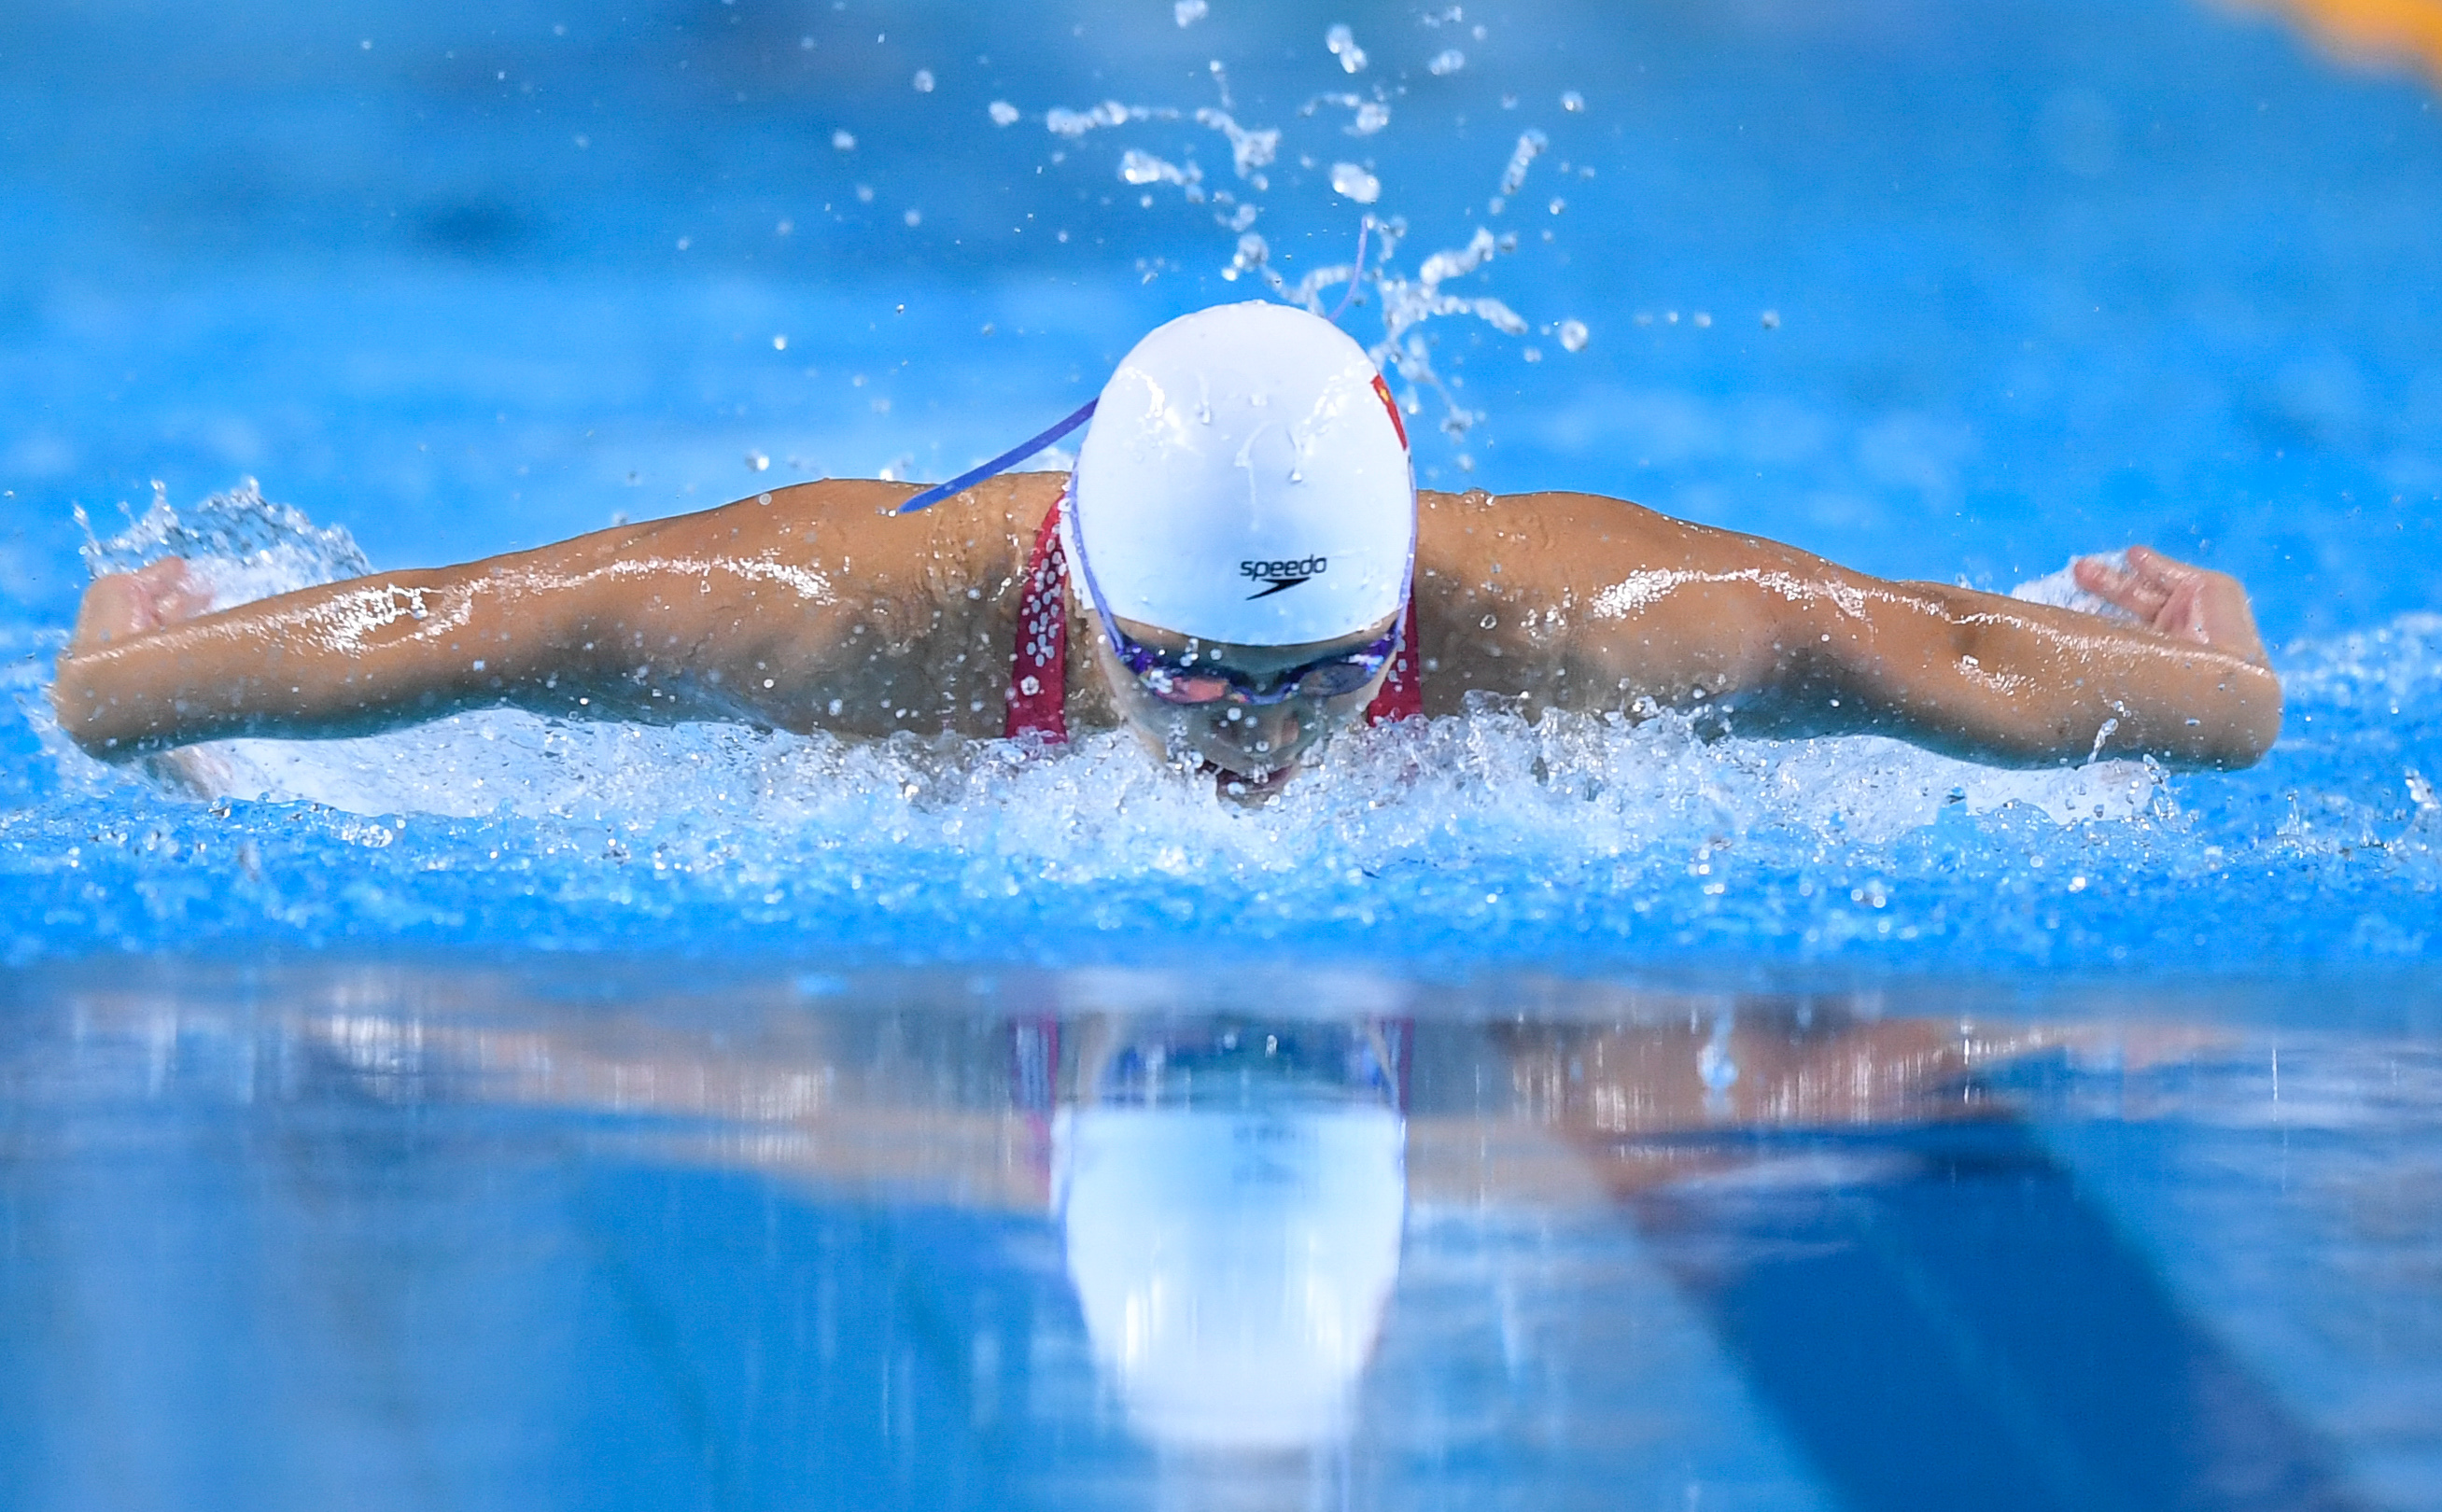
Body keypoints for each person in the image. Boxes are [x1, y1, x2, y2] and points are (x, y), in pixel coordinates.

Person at [49, 301, 2281, 803]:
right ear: (1084, 595)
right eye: (1194, 675)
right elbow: (471, 625)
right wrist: (130, 672)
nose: (1248, 743)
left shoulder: (1577, 619)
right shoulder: (848, 613)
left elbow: (1955, 661)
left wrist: (2219, 686)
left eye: (1315, 682)